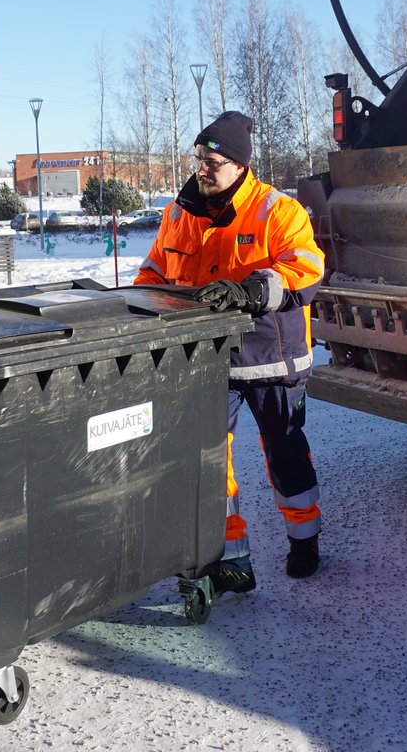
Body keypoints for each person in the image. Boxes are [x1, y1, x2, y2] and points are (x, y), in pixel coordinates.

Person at [134, 111, 325, 594]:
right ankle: (231, 560)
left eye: (213, 161)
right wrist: (139, 304)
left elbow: (307, 267)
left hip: (271, 359)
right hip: (206, 359)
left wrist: (253, 290)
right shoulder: (178, 213)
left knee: (285, 453)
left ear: (240, 165)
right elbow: (154, 271)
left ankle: (304, 540)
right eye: (199, 158)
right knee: (209, 462)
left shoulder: (277, 210)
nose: (203, 168)